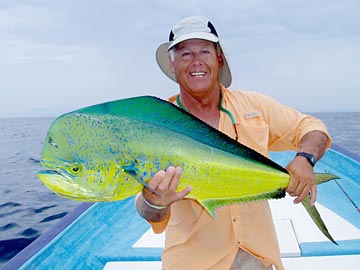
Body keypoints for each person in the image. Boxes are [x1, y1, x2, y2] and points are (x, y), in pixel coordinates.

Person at [136, 16, 331, 270]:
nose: (196, 61)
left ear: (219, 58)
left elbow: (314, 129)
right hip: (192, 263)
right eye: (185, 54)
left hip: (257, 257)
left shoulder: (254, 106)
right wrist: (154, 202)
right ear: (173, 65)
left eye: (205, 51)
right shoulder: (157, 124)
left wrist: (305, 160)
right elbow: (146, 209)